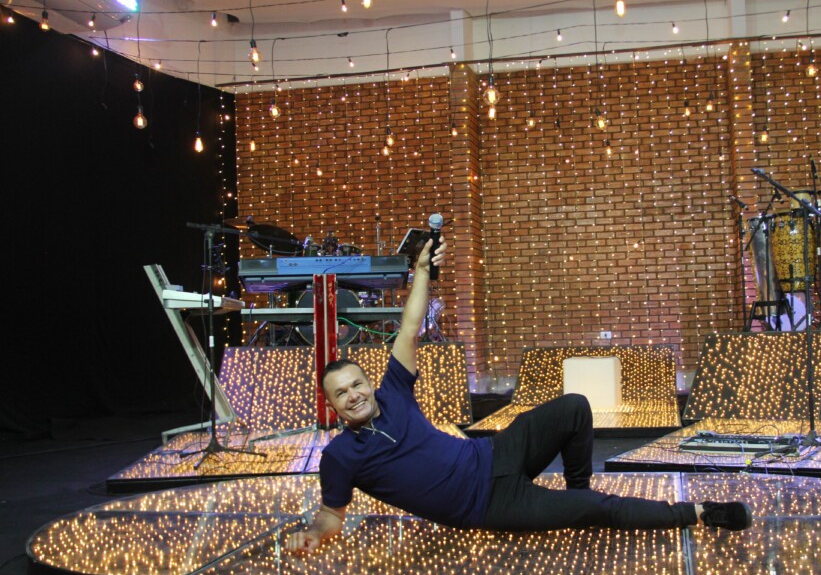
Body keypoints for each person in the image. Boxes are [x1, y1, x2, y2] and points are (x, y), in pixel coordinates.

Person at [286, 236, 751, 553]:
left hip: (495, 453)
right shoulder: (340, 457)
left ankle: (576, 493)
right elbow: (331, 514)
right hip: (488, 506)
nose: (353, 395)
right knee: (596, 511)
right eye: (341, 393)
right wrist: (313, 533)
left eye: (356, 384)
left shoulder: (393, 394)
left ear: (368, 383)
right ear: (332, 405)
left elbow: (408, 328)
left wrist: (423, 271)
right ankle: (700, 513)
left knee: (574, 407)